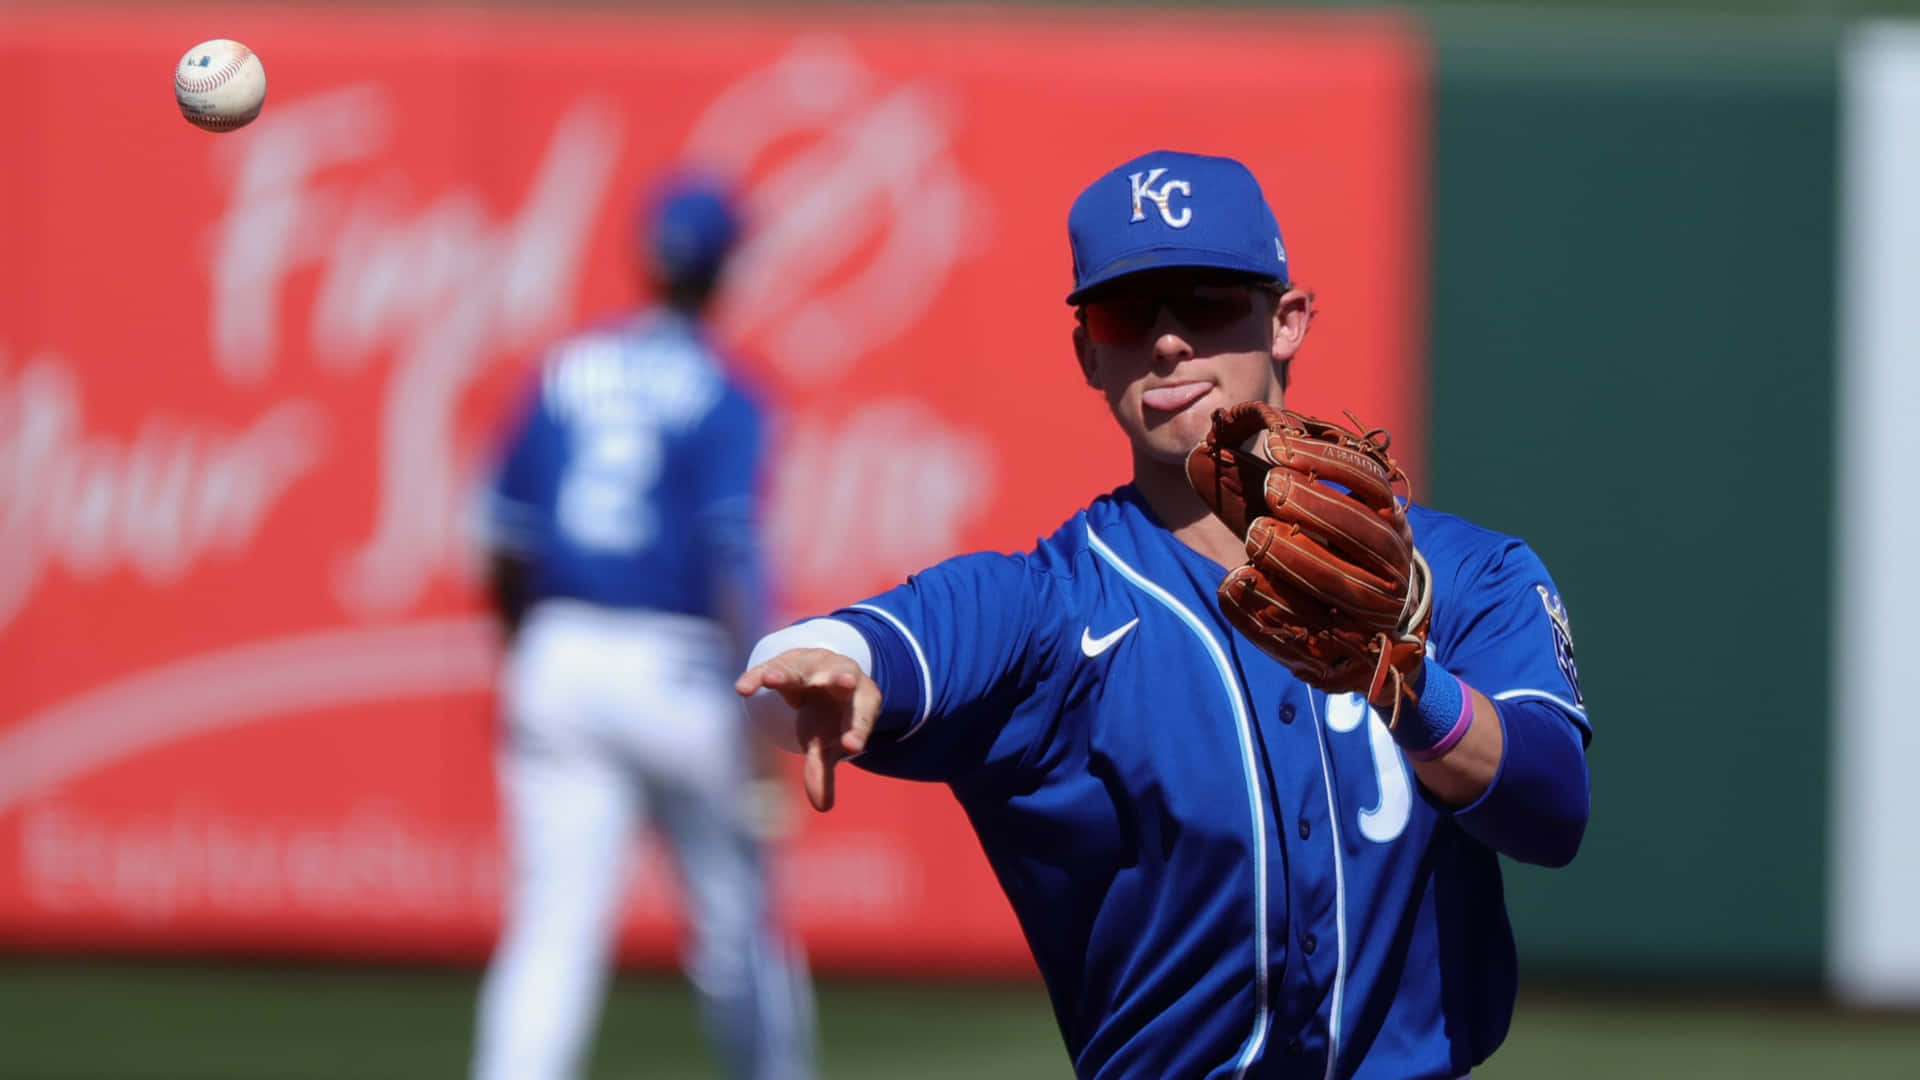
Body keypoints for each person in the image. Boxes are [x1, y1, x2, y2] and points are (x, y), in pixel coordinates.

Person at [735, 150, 1591, 1079]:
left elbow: (1552, 810)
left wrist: (1408, 688)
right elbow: (864, 645)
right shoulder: (1053, 608)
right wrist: (823, 664)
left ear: (1288, 320)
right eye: (1128, 312)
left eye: (1208, 299)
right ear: (1088, 353)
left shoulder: (1464, 576)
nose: (1170, 342)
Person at [472, 174, 815, 1080]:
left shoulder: (565, 368)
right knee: (739, 929)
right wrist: (762, 708)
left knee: (552, 931)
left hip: (559, 648)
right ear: (724, 271)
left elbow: (504, 540)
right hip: (680, 667)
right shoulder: (725, 392)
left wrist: (526, 654)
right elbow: (732, 556)